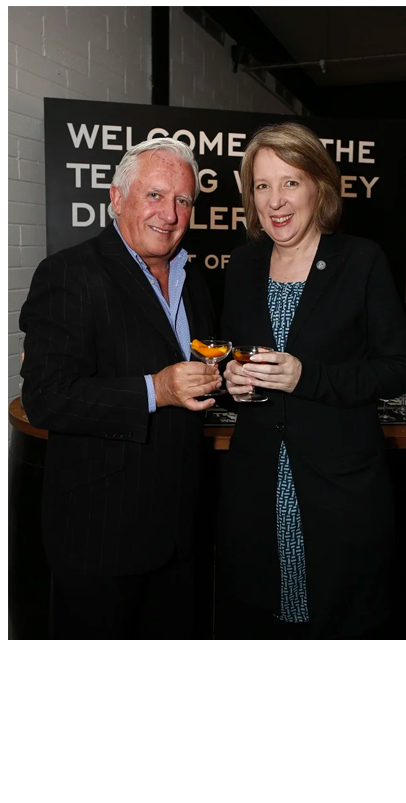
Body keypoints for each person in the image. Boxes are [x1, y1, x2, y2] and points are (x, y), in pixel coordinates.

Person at [216, 122, 406, 640]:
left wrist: (308, 376)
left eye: (290, 182)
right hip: (257, 485)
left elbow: (397, 368)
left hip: (339, 488)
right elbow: (233, 356)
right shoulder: (243, 265)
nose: (275, 200)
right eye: (262, 185)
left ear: (318, 188)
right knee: (265, 619)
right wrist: (231, 379)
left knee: (340, 622)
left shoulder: (361, 260)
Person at [19, 138, 221, 639]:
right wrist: (156, 389)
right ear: (117, 197)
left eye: (182, 200)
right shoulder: (69, 273)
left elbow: (193, 369)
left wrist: (225, 376)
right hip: (101, 535)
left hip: (181, 530)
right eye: (154, 195)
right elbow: (46, 397)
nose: (169, 214)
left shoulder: (192, 278)